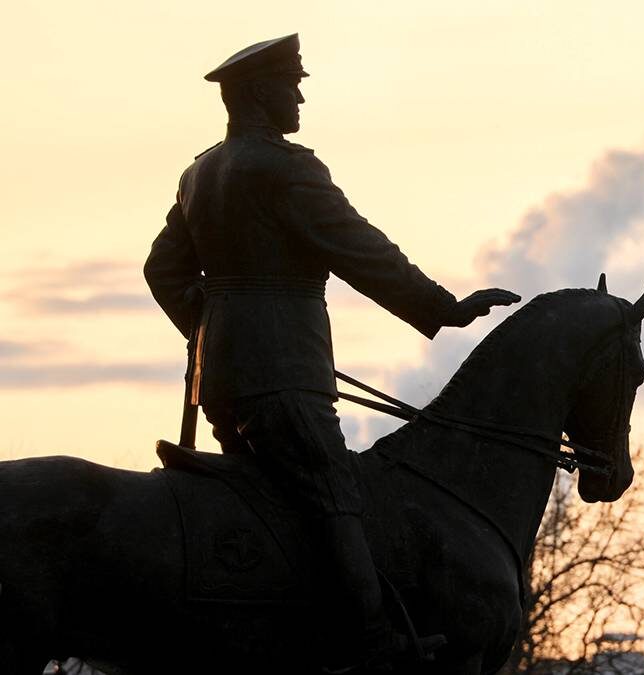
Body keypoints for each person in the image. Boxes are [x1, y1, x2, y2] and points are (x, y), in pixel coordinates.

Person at [143, 33, 520, 674]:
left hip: (225, 379)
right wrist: (441, 307)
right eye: (291, 86)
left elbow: (161, 268)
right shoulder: (285, 169)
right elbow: (357, 248)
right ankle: (371, 643)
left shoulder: (199, 172)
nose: (299, 97)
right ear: (261, 93)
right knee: (333, 491)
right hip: (285, 372)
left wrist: (209, 330)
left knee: (272, 499)